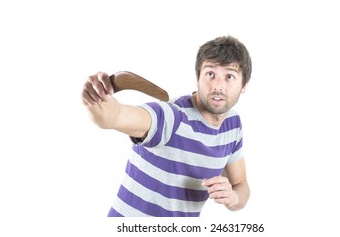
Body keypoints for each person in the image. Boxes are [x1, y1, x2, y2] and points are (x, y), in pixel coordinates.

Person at [81, 35, 252, 217]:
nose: (218, 85)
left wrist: (233, 197)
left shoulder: (233, 126)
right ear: (198, 76)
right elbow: (114, 116)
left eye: (229, 77)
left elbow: (241, 184)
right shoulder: (172, 116)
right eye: (210, 74)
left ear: (243, 85)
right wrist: (97, 101)